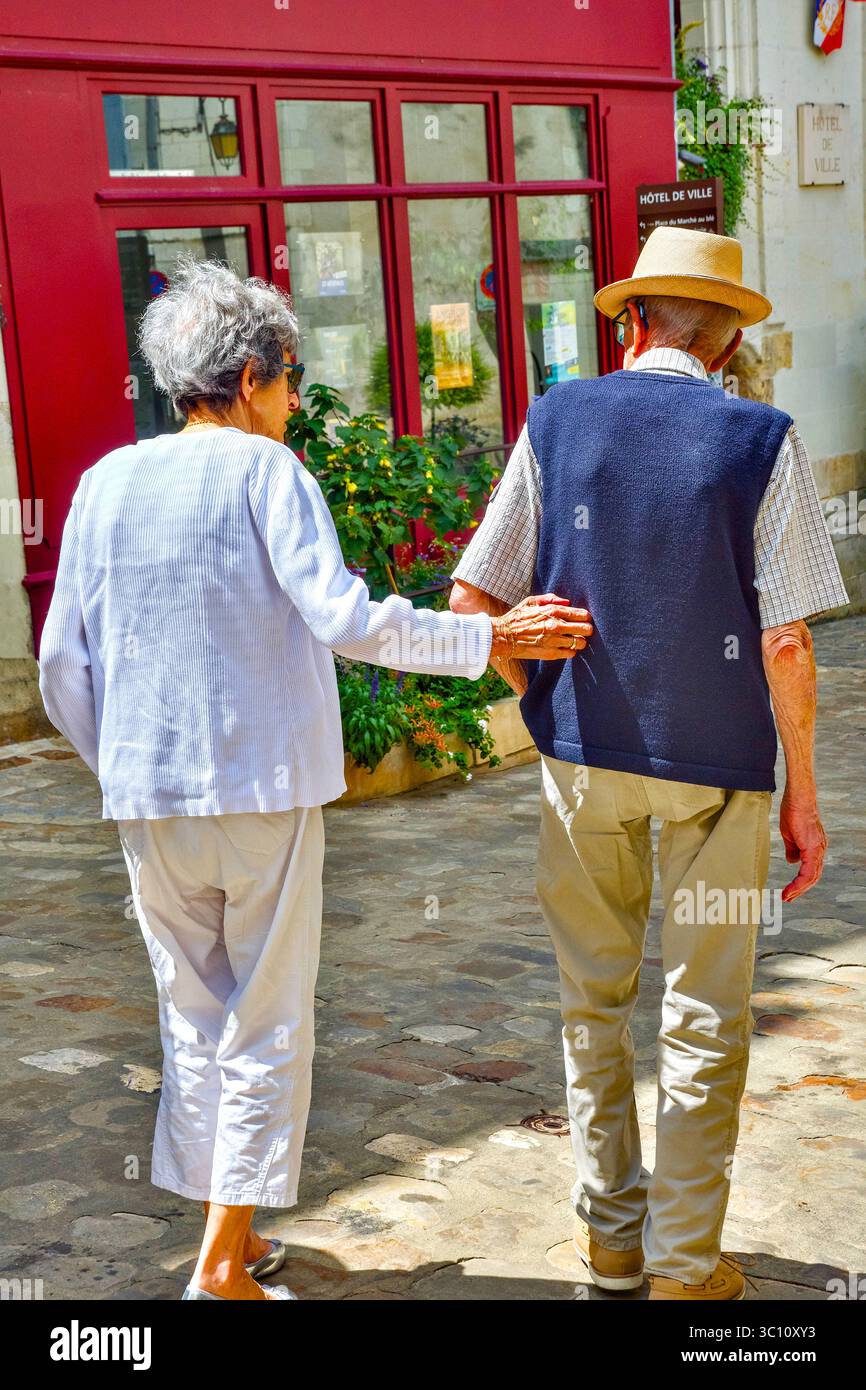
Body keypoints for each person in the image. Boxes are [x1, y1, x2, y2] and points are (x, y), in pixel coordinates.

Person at [38, 257, 592, 1301]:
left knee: (192, 1014)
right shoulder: (264, 473)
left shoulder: (103, 483)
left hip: (147, 794)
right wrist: (483, 640)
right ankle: (219, 1267)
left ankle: (231, 1238)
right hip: (260, 787)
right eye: (289, 378)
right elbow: (344, 619)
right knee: (263, 1017)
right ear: (250, 374)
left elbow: (64, 661)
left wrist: (119, 756)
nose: (293, 401)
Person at [450, 226, 849, 1302]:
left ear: (633, 322)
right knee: (704, 1015)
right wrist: (802, 798)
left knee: (592, 1004)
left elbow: (471, 604)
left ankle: (608, 1241)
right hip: (718, 772)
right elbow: (784, 641)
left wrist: (533, 701)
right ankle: (682, 1266)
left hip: (578, 759)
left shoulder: (556, 418)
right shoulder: (760, 440)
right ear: (723, 343)